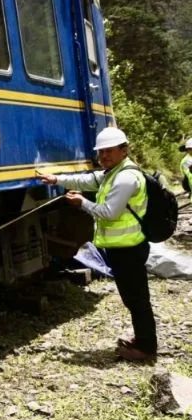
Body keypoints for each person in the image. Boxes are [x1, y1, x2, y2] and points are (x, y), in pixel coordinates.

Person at [39, 127, 157, 361]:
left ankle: (146, 348)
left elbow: (109, 213)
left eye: (109, 151)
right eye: (101, 152)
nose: (104, 156)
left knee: (136, 298)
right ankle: (142, 339)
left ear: (124, 150)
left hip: (129, 248)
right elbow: (87, 180)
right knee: (133, 297)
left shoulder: (125, 178)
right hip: (122, 247)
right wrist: (57, 179)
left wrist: (82, 203)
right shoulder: (113, 173)